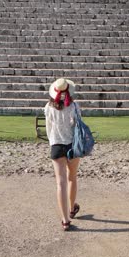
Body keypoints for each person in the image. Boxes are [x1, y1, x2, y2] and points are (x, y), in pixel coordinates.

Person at [44, 77, 81, 231]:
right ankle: (72, 209)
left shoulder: (48, 107)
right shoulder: (74, 106)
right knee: (72, 177)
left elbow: (49, 130)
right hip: (72, 145)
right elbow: (78, 127)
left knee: (60, 183)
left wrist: (54, 142)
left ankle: (65, 220)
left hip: (57, 146)